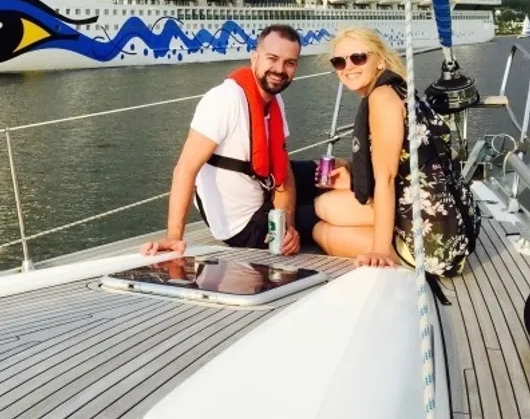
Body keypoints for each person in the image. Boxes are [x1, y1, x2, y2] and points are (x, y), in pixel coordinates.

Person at [140, 24, 320, 257]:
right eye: (272, 59)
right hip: (245, 226)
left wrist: (288, 224)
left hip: (265, 195)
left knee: (337, 173)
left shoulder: (274, 100)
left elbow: (283, 173)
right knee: (336, 212)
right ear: (254, 58)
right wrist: (174, 237)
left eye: (290, 63)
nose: (280, 69)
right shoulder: (225, 100)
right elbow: (185, 169)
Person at [313, 27, 480, 275]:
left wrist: (379, 251)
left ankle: (397, 255)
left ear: (379, 59)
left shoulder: (380, 98)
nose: (348, 67)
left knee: (323, 219)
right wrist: (350, 170)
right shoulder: (398, 89)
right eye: (339, 61)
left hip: (434, 244)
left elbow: (388, 177)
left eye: (358, 57)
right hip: (452, 222)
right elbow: (404, 159)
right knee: (326, 207)